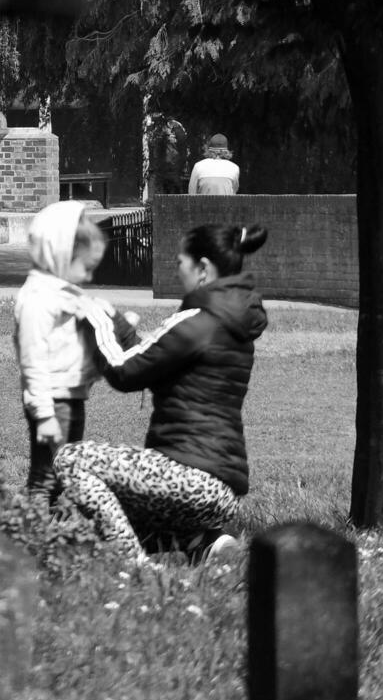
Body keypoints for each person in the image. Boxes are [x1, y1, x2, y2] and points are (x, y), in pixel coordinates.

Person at [57, 223, 269, 564]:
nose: (176, 269)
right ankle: (204, 542)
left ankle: (136, 568)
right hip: (222, 490)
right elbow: (152, 361)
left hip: (188, 479)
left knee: (72, 460)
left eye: (180, 262)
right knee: (89, 540)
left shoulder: (196, 321)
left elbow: (125, 372)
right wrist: (120, 326)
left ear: (202, 269)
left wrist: (95, 315)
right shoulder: (231, 324)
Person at [13, 200, 137, 500]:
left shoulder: (60, 291)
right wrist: (44, 415)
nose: (90, 277)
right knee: (47, 478)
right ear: (60, 254)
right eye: (86, 267)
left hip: (71, 396)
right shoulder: (38, 299)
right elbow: (33, 361)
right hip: (54, 400)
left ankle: (53, 535)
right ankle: (32, 536)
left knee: (64, 473)